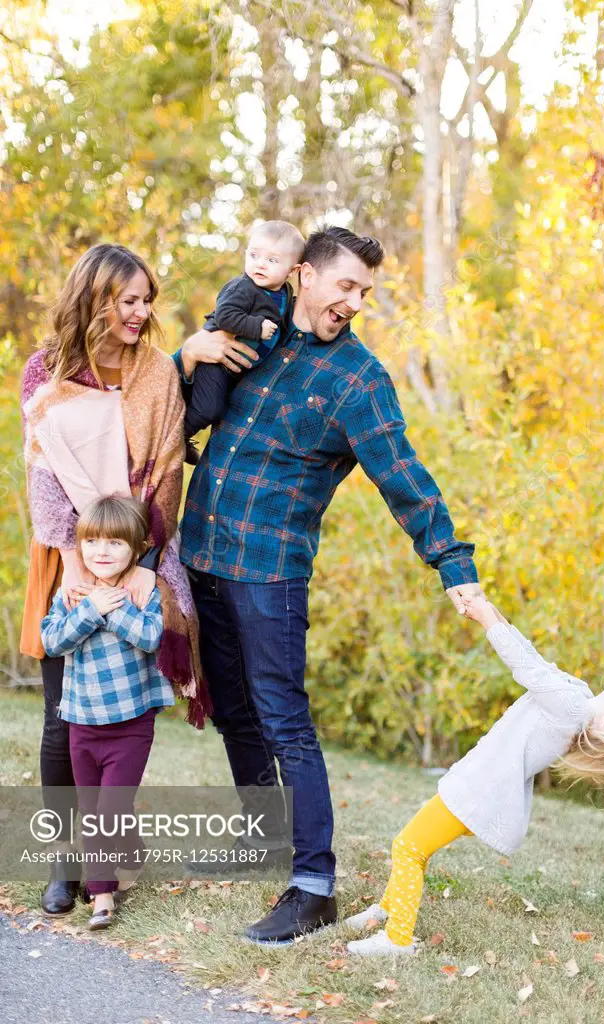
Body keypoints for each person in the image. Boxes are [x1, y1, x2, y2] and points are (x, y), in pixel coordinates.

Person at [173, 226, 483, 945]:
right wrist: (185, 353)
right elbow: (174, 395)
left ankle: (313, 886)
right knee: (234, 714)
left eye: (365, 293)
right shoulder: (255, 334)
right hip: (204, 555)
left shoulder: (358, 380)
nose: (354, 302)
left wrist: (454, 568)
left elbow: (406, 481)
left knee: (284, 721)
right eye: (345, 285)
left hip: (270, 572)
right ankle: (262, 841)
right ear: (305, 276)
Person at [20, 243, 210, 918]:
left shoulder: (157, 373)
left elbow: (164, 468)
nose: (141, 312)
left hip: (139, 556)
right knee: (58, 718)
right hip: (67, 556)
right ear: (95, 300)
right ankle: (63, 866)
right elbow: (43, 474)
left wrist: (139, 565)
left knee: (124, 711)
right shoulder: (46, 371)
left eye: (146, 300)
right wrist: (75, 563)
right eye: (128, 300)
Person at [344, 594, 604, 956]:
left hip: (477, 793)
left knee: (409, 848)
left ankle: (396, 938)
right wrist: (488, 609)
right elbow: (534, 659)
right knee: (416, 844)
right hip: (478, 788)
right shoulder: (578, 699)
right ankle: (385, 910)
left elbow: (524, 667)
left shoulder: (572, 710)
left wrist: (486, 620)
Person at [41, 496, 175, 930]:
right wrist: (88, 609)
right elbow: (52, 642)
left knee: (107, 812)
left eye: (114, 543)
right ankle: (130, 854)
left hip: (131, 725)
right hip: (82, 723)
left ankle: (101, 896)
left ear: (135, 550)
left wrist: (110, 608)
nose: (101, 551)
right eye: (92, 541)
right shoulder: (71, 595)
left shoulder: (143, 592)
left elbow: (151, 637)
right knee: (92, 806)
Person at [184, 220, 304, 463]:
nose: (260, 264)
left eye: (272, 260)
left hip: (239, 369)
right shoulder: (242, 288)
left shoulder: (284, 293)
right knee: (210, 409)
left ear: (292, 271)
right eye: (254, 255)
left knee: (232, 409)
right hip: (215, 361)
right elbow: (225, 316)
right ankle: (178, 436)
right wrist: (256, 326)